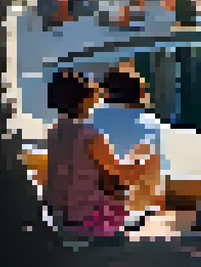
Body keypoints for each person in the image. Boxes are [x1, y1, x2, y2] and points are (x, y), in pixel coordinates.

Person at [44, 69, 155, 241]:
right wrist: (139, 163)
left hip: (59, 218)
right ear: (85, 99)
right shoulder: (90, 135)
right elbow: (120, 173)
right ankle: (119, 225)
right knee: (119, 184)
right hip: (88, 220)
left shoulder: (54, 132)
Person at [91, 63, 166, 229]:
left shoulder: (90, 119)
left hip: (96, 207)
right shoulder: (152, 124)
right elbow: (158, 173)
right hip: (138, 208)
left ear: (107, 91)